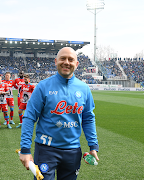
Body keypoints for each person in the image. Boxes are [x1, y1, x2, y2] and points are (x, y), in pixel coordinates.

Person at [19, 47, 99, 180]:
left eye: (71, 59)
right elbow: (29, 117)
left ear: (77, 64)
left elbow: (88, 118)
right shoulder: (43, 86)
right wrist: (25, 149)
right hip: (46, 150)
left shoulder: (84, 89)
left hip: (73, 152)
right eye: (63, 58)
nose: (66, 62)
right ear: (56, 61)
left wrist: (93, 145)